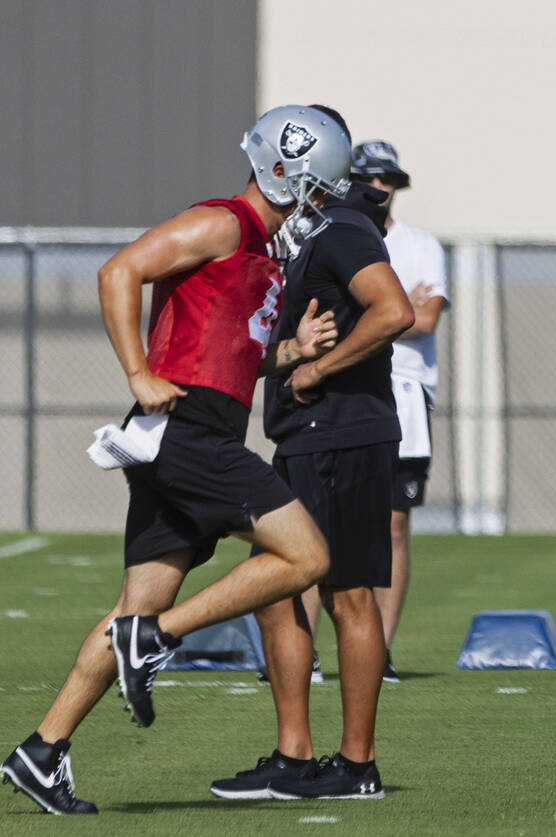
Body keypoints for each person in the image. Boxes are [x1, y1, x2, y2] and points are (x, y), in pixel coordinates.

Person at [0, 104, 352, 815]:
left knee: (136, 602)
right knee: (308, 556)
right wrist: (135, 370)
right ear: (286, 172)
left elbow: (233, 360)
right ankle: (156, 639)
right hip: (188, 431)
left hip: (195, 430)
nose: (320, 204)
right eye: (318, 188)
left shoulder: (262, 253)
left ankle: (43, 751)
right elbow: (119, 270)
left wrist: (292, 353)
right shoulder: (224, 223)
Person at [210, 121, 414, 802]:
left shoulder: (344, 227)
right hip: (309, 434)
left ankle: (355, 765)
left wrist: (318, 366)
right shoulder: (302, 242)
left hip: (341, 433)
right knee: (277, 588)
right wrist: (293, 356)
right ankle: (295, 755)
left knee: (345, 593)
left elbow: (394, 312)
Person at [298, 140, 449, 683]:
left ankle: (377, 651)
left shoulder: (420, 245)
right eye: (368, 177)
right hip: (343, 393)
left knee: (393, 525)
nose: (378, 188)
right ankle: (302, 652)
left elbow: (419, 318)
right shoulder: (329, 232)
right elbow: (387, 310)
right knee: (309, 525)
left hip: (405, 395)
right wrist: (390, 306)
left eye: (387, 179)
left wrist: (380, 309)